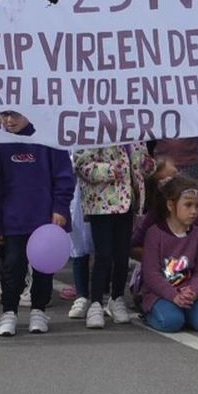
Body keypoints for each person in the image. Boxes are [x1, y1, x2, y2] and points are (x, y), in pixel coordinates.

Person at [0, 129, 74, 337]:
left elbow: (64, 176)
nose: (9, 120)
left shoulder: (49, 139)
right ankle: (9, 311)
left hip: (44, 217)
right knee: (12, 265)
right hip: (12, 218)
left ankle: (38, 310)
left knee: (43, 268)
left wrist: (60, 208)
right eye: (5, 115)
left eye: (14, 115)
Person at [72, 141, 147, 329]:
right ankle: (96, 302)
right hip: (101, 203)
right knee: (103, 253)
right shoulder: (94, 130)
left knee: (122, 254)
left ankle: (116, 297)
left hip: (128, 202)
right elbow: (81, 164)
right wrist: (110, 170)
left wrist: (148, 165)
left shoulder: (135, 133)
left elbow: (140, 162)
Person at [139, 174, 198, 333]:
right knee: (171, 322)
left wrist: (193, 292)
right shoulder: (154, 234)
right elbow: (151, 274)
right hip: (162, 293)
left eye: (196, 206)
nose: (194, 211)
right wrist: (173, 295)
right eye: (188, 205)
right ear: (171, 205)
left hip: (190, 292)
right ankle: (149, 311)